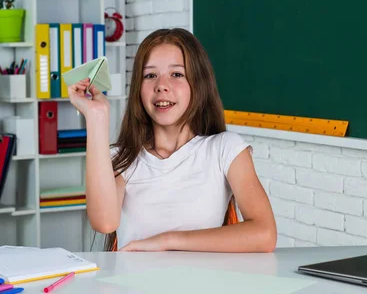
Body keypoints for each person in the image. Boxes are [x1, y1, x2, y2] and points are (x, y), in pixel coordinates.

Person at [67, 28, 277, 252]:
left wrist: (167, 241)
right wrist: (97, 117)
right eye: (150, 75)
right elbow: (104, 223)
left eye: (177, 74)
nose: (161, 85)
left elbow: (264, 234)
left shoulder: (226, 149)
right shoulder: (123, 157)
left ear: (199, 83)